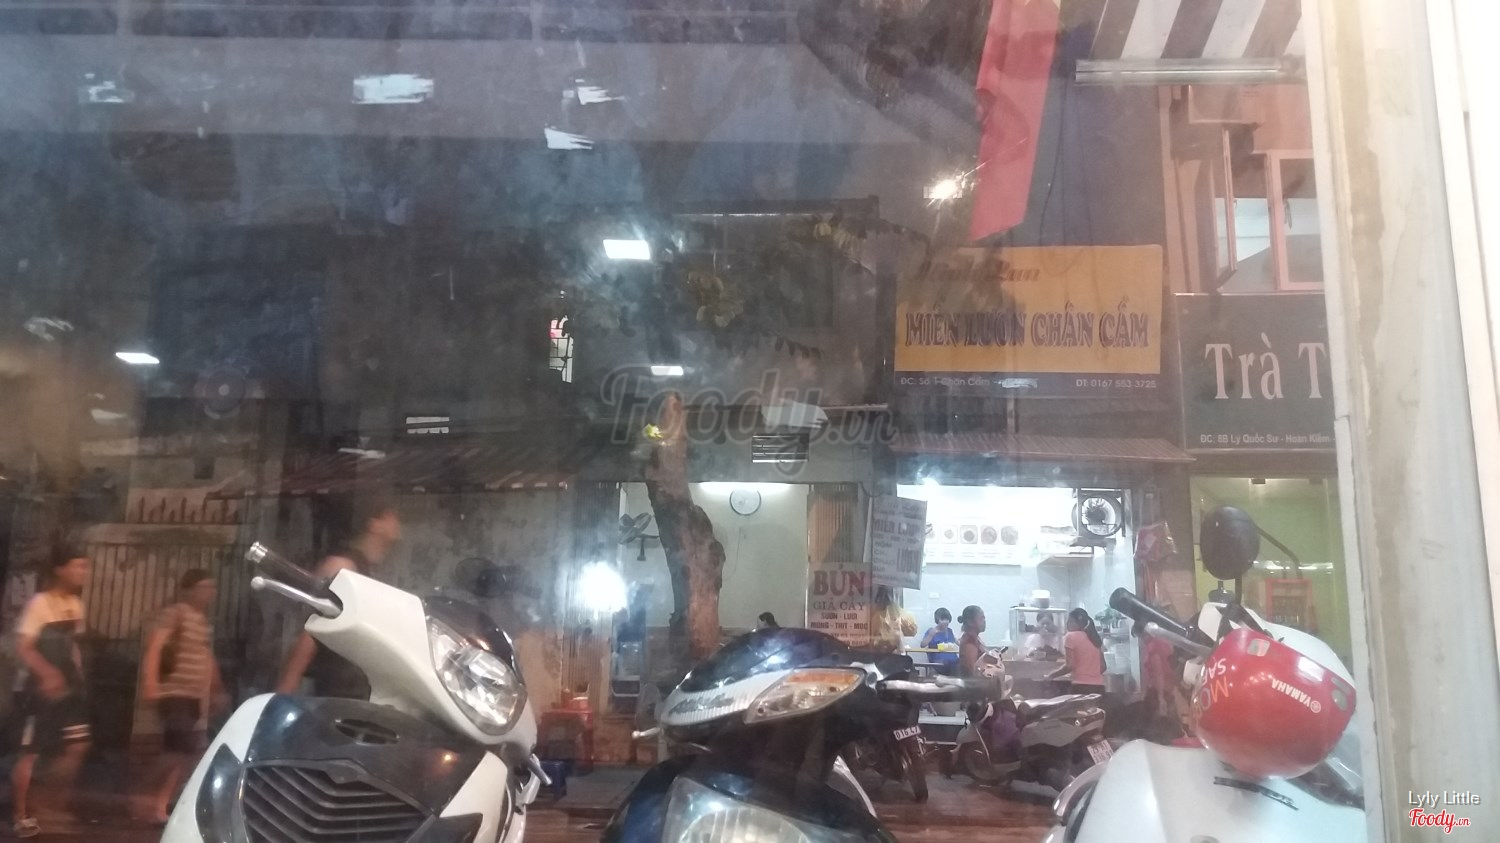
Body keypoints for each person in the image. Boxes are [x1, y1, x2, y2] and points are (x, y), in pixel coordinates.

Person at [277, 500, 401, 698]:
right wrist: (283, 694)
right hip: (336, 691)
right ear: (374, 523)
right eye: (391, 515)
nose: (399, 522)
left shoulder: (370, 570)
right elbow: (311, 632)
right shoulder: (343, 567)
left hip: (359, 691)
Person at [11, 549, 92, 838]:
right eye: (78, 567)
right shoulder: (40, 604)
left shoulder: (75, 604)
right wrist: (47, 673)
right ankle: (21, 815)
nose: (83, 573)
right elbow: (24, 647)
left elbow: (72, 645)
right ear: (60, 569)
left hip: (69, 688)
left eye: (85, 567)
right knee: (31, 752)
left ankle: (48, 803)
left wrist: (78, 676)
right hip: (37, 689)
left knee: (78, 745)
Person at [141, 569, 227, 824]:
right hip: (174, 692)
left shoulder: (201, 620)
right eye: (204, 587)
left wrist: (216, 688)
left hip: (192, 695)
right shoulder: (176, 613)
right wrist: (150, 682)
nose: (209, 593)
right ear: (188, 590)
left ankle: (159, 804)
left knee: (185, 752)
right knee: (176, 751)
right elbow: (155, 646)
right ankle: (145, 795)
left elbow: (205, 656)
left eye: (211, 588)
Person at [1049, 608, 1107, 694]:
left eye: (1069, 621)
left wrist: (1051, 675)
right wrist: (1091, 673)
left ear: (1075, 623)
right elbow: (1103, 667)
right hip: (1099, 688)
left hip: (1081, 687)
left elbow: (1069, 666)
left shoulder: (1070, 636)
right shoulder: (1094, 637)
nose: (1067, 624)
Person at [872, 587, 917, 653]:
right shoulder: (877, 616)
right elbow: (913, 632)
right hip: (888, 651)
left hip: (891, 651)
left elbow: (912, 632)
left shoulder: (877, 616)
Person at [919, 608, 959, 673]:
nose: (945, 622)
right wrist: (931, 635)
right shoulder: (932, 630)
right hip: (939, 661)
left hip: (953, 660)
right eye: (942, 619)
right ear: (937, 620)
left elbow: (958, 642)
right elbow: (922, 645)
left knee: (961, 663)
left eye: (947, 619)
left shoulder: (949, 631)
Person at [957, 605, 987, 677]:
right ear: (970, 622)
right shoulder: (969, 640)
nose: (984, 622)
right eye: (981, 619)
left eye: (984, 618)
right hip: (971, 682)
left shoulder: (975, 638)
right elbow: (971, 669)